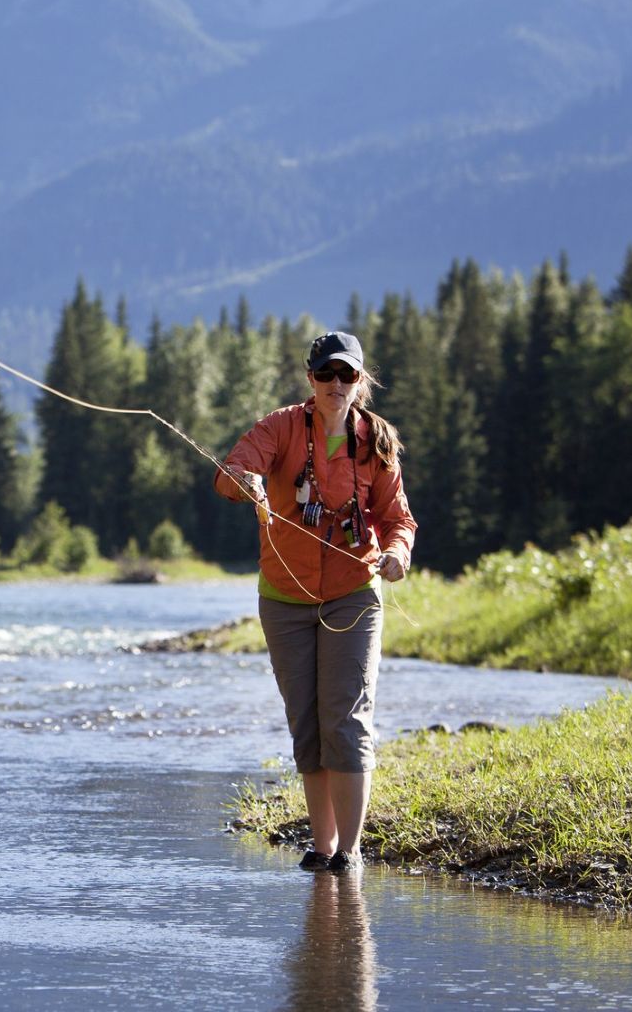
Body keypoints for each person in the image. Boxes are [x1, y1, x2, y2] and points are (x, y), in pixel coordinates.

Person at [214, 331, 415, 874]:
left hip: (353, 593)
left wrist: (398, 553)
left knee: (345, 720)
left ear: (361, 381)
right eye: (325, 374)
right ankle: (321, 847)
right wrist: (247, 482)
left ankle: (349, 853)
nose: (335, 384)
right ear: (310, 379)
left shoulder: (376, 441)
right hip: (283, 596)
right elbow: (231, 473)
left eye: (346, 375)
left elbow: (398, 520)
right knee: (307, 723)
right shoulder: (278, 427)